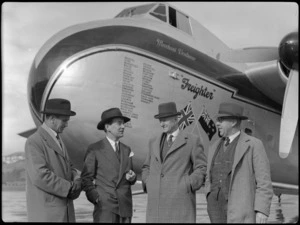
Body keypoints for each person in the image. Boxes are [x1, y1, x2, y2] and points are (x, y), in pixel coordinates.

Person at [205, 102, 273, 223]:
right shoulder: (214, 146)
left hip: (241, 213)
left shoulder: (254, 145)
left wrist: (262, 210)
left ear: (233, 122)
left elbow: (264, 182)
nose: (217, 123)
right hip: (215, 211)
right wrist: (209, 195)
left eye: (221, 119)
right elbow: (208, 176)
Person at [142, 102, 207, 223]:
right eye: (160, 120)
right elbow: (146, 166)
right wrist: (148, 182)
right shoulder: (153, 141)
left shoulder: (192, 141)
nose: (162, 124)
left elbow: (202, 167)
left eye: (165, 120)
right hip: (156, 207)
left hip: (180, 204)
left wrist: (188, 184)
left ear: (176, 119)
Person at [25, 98, 82, 222]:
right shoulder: (33, 141)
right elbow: (40, 176)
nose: (67, 125)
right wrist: (69, 188)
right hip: (47, 215)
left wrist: (77, 179)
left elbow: (70, 166)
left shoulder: (59, 140)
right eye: (64, 121)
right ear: (51, 118)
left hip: (63, 213)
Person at [81, 107, 137, 223]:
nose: (123, 127)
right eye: (119, 123)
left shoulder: (127, 150)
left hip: (125, 207)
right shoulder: (95, 149)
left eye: (123, 124)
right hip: (105, 209)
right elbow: (86, 178)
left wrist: (133, 177)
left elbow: (129, 177)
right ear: (107, 127)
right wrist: (96, 198)